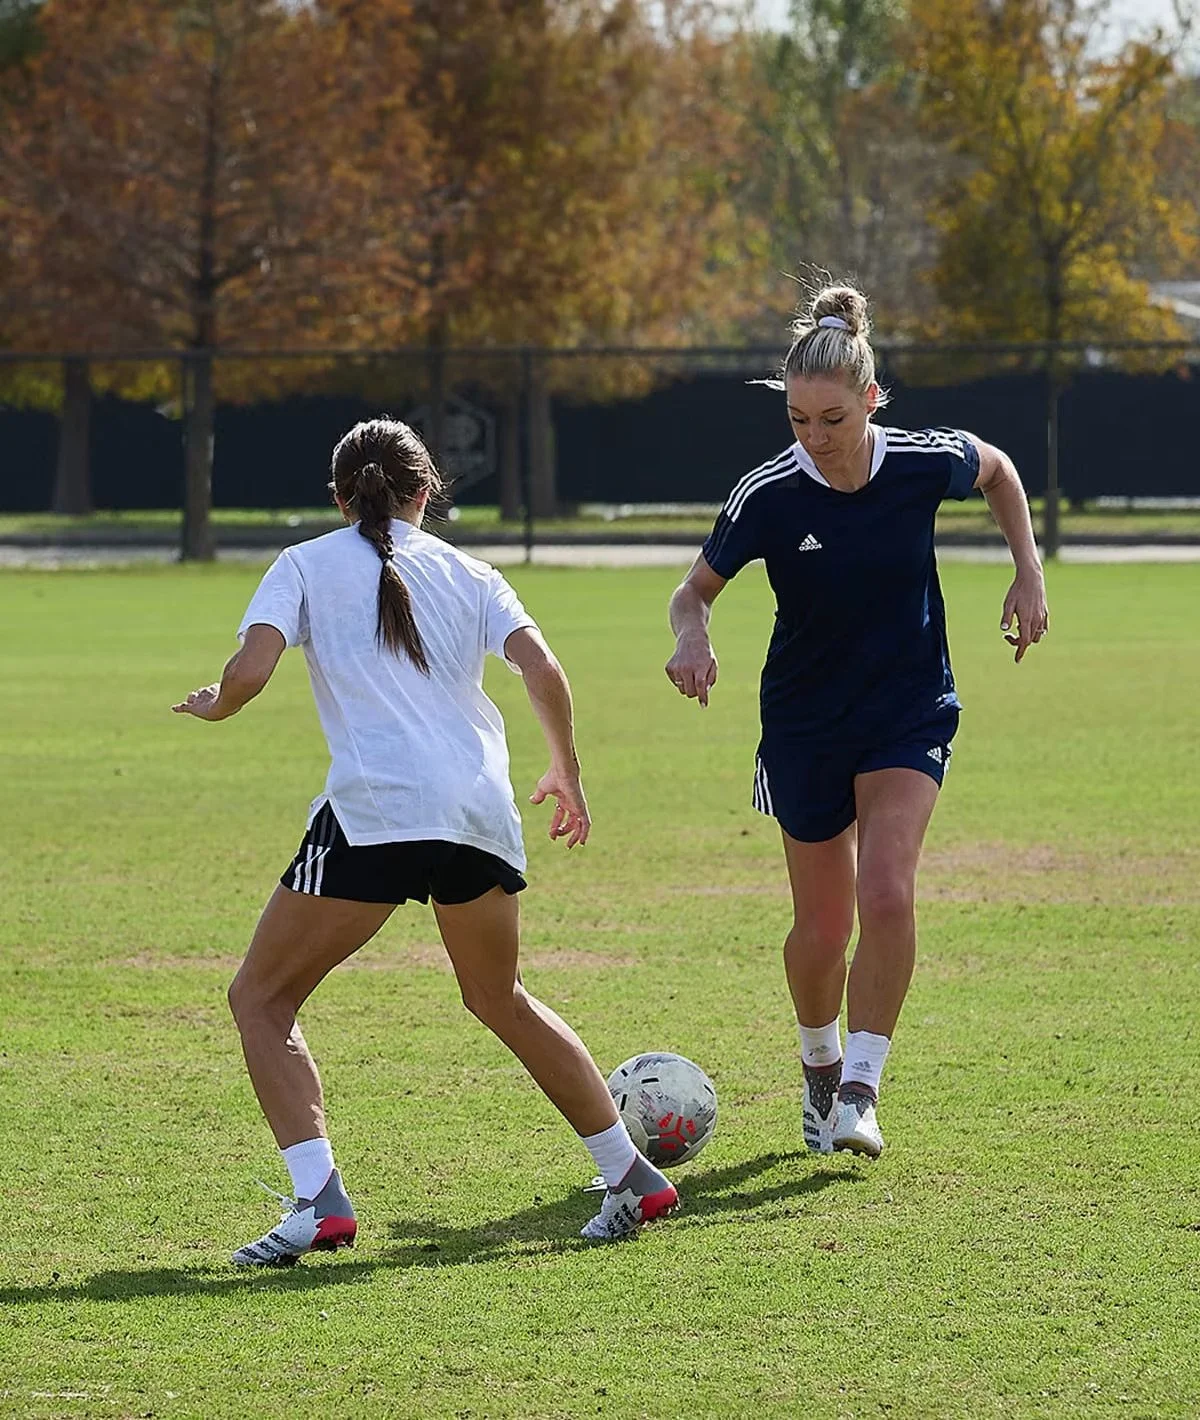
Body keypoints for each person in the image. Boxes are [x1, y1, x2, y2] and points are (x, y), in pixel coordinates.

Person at [173, 417, 676, 1263]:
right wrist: (567, 774)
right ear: (424, 493)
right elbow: (542, 668)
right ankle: (632, 1174)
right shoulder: (472, 571)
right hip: (476, 811)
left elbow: (250, 673)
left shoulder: (302, 563)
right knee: (500, 997)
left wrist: (214, 702)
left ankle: (318, 1201)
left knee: (259, 999)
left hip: (377, 812)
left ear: (339, 497)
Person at [665, 283, 1048, 1159]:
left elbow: (1000, 471)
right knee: (824, 928)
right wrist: (693, 639)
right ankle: (819, 1069)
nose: (814, 437)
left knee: (887, 891)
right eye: (798, 419)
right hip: (804, 723)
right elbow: (694, 591)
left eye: (831, 418)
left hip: (908, 709)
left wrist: (1027, 570)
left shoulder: (920, 461)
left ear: (871, 401)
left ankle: (863, 1090)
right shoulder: (768, 493)